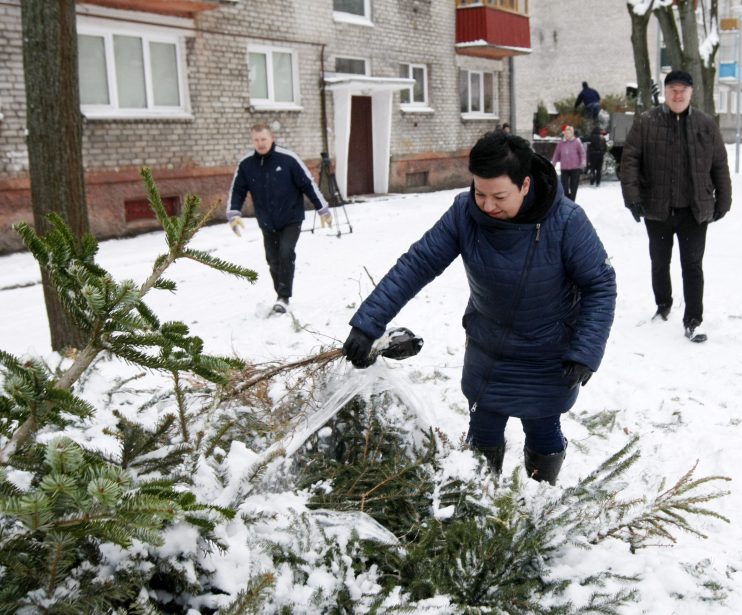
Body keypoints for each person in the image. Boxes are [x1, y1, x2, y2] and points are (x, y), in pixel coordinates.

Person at [341, 131, 616, 485]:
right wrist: (368, 323)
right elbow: (418, 264)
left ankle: (542, 501)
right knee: (483, 430)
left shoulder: (566, 221)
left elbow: (601, 285)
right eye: (480, 192)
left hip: (548, 353)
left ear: (526, 185)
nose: (486, 205)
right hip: (490, 348)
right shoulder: (464, 213)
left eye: (499, 196)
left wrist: (586, 349)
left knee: (543, 429)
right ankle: (480, 503)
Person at [619, 69, 731, 341]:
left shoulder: (705, 124)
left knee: (692, 265)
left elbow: (719, 164)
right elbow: (630, 160)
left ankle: (693, 318)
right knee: (659, 262)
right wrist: (632, 197)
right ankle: (663, 305)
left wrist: (724, 200)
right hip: (657, 210)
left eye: (683, 90)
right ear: (665, 92)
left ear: (691, 93)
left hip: (694, 211)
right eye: (673, 90)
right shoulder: (646, 122)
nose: (678, 94)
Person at [227, 123, 333, 314]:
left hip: (291, 217)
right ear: (252, 141)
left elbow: (307, 184)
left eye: (263, 139)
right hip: (267, 221)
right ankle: (280, 295)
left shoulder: (288, 159)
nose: (260, 144)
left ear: (271, 138)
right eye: (256, 140)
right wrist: (234, 213)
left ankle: (283, 297)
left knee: (285, 252)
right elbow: (238, 190)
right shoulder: (246, 164)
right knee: (272, 260)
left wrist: (322, 209)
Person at [551, 124, 587, 202]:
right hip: (564, 168)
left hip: (575, 168)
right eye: (566, 133)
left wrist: (583, 162)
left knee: (573, 186)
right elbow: (556, 154)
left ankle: (572, 200)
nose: (567, 135)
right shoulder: (561, 143)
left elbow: (582, 153)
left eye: (569, 133)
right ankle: (567, 200)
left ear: (572, 133)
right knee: (565, 187)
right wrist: (552, 164)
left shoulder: (577, 142)